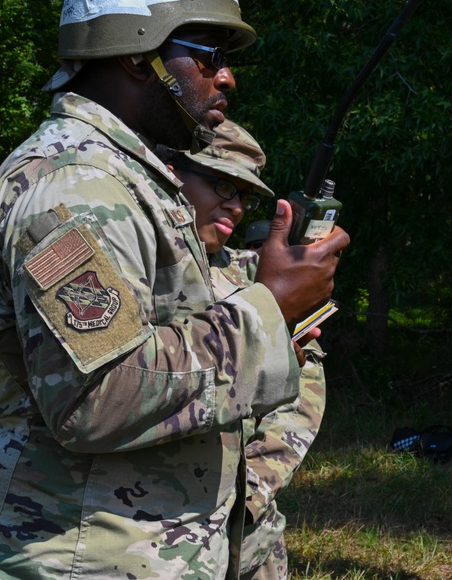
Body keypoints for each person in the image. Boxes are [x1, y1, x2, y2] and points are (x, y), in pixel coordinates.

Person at [0, 0, 348, 580]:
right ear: (139, 54)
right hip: (78, 555)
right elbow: (95, 397)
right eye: (209, 55)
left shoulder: (128, 179)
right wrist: (269, 312)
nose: (227, 78)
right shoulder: (74, 187)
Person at [160, 119, 326, 580]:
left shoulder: (250, 281)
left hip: (248, 528)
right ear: (171, 174)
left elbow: (302, 402)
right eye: (221, 185)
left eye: (245, 196)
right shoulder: (138, 271)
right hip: (164, 536)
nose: (234, 206)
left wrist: (252, 491)